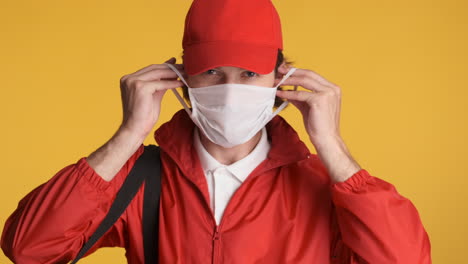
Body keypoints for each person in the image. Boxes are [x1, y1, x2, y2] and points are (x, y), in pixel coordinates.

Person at [1, 0, 432, 263]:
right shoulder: (141, 181)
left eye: (248, 73)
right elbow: (29, 249)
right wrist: (128, 136)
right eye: (211, 73)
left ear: (281, 78)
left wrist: (332, 147)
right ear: (180, 77)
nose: (229, 90)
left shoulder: (327, 187)